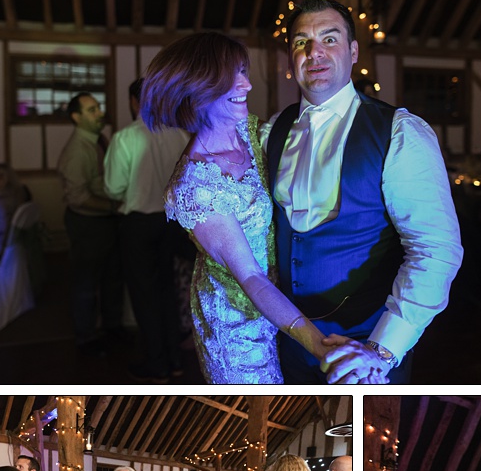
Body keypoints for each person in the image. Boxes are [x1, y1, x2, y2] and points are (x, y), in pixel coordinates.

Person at [265, 0, 463, 386]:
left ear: (353, 52)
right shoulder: (274, 130)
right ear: (291, 58)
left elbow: (436, 250)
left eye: (329, 38)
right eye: (301, 42)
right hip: (290, 343)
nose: (314, 52)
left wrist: (381, 349)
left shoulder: (400, 132)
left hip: (366, 348)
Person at [144, 33, 350, 384]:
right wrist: (319, 346)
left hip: (280, 304)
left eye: (244, 71)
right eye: (233, 76)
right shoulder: (196, 188)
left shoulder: (250, 131)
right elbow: (251, 278)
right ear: (199, 87)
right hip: (237, 326)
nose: (247, 84)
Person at [104, 77, 192, 381]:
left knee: (145, 295)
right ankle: (175, 359)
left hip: (138, 223)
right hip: (170, 222)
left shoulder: (125, 138)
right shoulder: (177, 135)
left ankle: (158, 364)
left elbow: (113, 188)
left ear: (133, 101)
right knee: (167, 290)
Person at [56, 91, 123, 357]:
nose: (99, 113)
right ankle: (86, 337)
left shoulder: (100, 140)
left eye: (98, 108)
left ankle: (112, 327)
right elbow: (78, 197)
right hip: (88, 223)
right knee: (86, 282)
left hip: (105, 220)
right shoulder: (77, 150)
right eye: (92, 110)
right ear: (76, 117)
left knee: (112, 277)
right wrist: (114, 207)